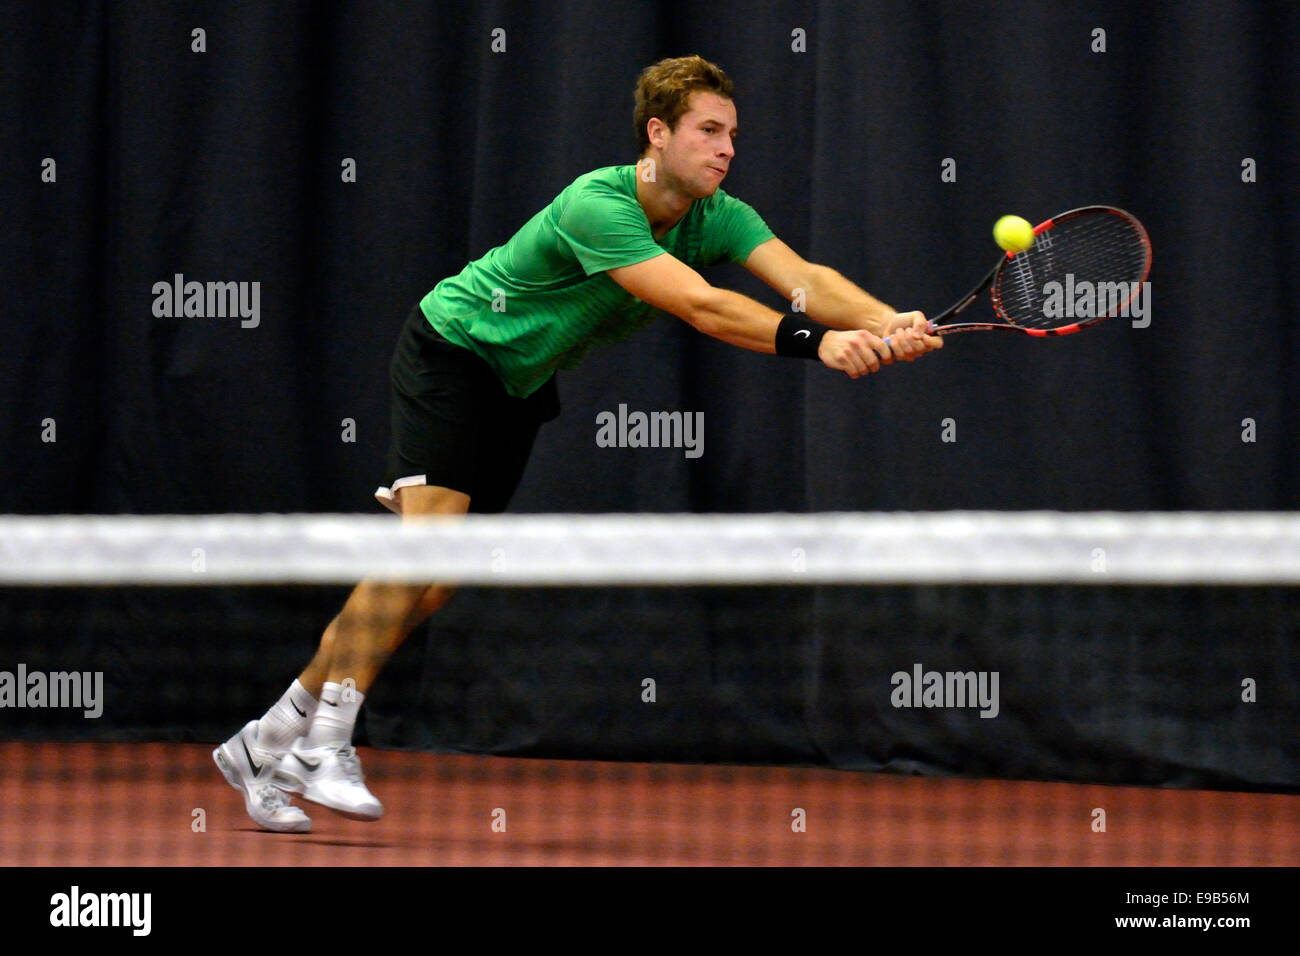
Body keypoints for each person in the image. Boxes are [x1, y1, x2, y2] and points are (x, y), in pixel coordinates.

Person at [213, 54, 943, 832]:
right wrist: (821, 344)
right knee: (421, 553)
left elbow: (803, 278)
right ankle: (326, 743)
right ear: (657, 134)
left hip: (518, 387)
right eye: (707, 131)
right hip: (455, 351)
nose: (726, 149)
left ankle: (267, 740)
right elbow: (702, 306)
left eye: (731, 134)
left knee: (435, 580)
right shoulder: (598, 205)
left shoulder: (718, 214)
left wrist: (884, 319)